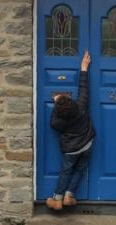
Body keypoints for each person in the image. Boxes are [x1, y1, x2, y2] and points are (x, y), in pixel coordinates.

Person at [46, 50, 96, 210]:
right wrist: (83, 68)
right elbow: (83, 89)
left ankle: (57, 199)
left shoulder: (58, 121)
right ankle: (69, 195)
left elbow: (53, 122)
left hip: (70, 150)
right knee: (79, 170)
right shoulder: (81, 106)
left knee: (66, 171)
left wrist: (57, 102)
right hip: (87, 145)